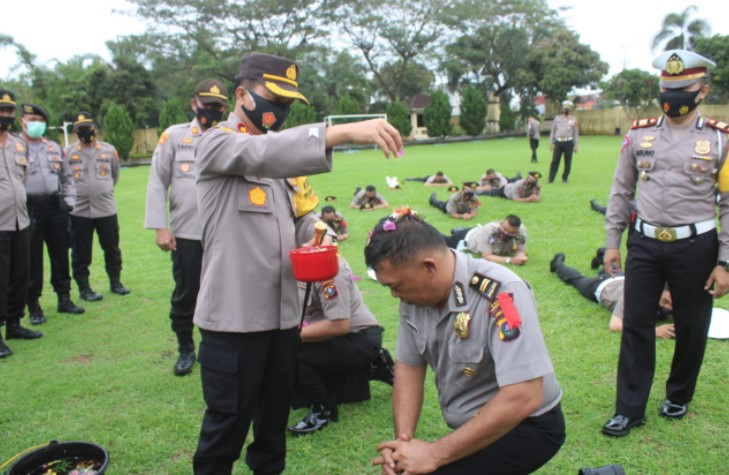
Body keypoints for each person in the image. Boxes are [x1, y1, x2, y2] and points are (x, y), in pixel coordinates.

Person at [191, 52, 403, 475]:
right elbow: (261, 153)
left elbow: (294, 220)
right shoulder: (216, 143)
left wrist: (317, 232)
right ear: (241, 94)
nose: (280, 110)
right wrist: (339, 133)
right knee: (225, 430)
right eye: (274, 97)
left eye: (288, 102)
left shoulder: (282, 167)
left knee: (272, 428)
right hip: (233, 323)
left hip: (284, 321)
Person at [365, 209, 564, 475]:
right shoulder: (414, 297)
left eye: (397, 286)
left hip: (528, 425)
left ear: (429, 267)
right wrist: (404, 445)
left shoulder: (501, 292)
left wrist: (433, 455)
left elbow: (524, 395)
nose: (394, 295)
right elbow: (409, 366)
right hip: (475, 425)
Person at [602, 49, 729, 437]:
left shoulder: (720, 139)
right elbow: (622, 190)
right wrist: (612, 241)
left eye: (682, 87)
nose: (672, 95)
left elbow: (728, 204)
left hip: (697, 245)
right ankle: (629, 408)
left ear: (702, 90)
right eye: (666, 87)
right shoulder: (639, 133)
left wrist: (725, 261)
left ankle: (679, 394)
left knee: (692, 326)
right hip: (645, 243)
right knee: (637, 323)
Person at [144, 79, 228, 376]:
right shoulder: (175, 137)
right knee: (187, 291)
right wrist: (159, 227)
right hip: (187, 233)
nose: (212, 111)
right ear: (194, 104)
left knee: (221, 291)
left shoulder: (231, 135)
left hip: (224, 233)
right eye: (207, 105)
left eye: (218, 106)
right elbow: (157, 182)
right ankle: (185, 348)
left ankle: (212, 347)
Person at [287, 254, 392, 436]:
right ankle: (374, 366)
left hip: (358, 338)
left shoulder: (329, 268)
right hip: (331, 335)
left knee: (291, 353)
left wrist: (287, 337)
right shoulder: (295, 261)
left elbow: (339, 325)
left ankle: (324, 408)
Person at [20, 103, 85, 324]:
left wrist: (69, 200)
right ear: (22, 121)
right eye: (31, 119)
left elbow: (67, 177)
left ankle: (64, 298)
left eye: (39, 120)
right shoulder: (15, 147)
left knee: (60, 253)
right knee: (32, 258)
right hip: (29, 207)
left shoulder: (54, 148)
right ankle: (34, 305)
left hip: (56, 207)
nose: (35, 124)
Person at [65, 112, 130, 302]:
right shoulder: (68, 153)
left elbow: (115, 175)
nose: (86, 131)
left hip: (106, 209)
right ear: (75, 131)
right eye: (81, 129)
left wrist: (103, 190)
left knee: (111, 248)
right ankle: (85, 288)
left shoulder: (109, 150)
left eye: (88, 127)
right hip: (79, 211)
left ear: (95, 127)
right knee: (81, 252)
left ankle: (116, 282)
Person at [0, 90, 43, 358]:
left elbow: (21, 178)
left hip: (20, 220)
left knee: (20, 274)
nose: (6, 116)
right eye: (2, 111)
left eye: (9, 112)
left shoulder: (18, 144)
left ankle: (14, 323)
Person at [549, 252, 675, 338]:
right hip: (602, 286)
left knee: (612, 266)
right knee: (576, 279)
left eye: (672, 304)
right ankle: (557, 264)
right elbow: (615, 326)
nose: (668, 308)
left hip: (621, 277)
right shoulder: (634, 295)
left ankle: (601, 255)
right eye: (664, 302)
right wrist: (655, 332)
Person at [444, 214, 528, 266]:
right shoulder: (489, 230)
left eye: (511, 232)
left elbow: (520, 251)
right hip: (468, 237)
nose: (505, 233)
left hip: (480, 233)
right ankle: (458, 232)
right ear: (501, 223)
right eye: (504, 228)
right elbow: (487, 256)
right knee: (444, 241)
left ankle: (457, 230)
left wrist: (520, 257)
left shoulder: (521, 232)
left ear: (517, 231)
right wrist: (510, 260)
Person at [548, 100, 579, 183]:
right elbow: (553, 131)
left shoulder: (573, 119)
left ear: (570, 110)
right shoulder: (557, 119)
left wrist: (576, 145)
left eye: (568, 109)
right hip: (558, 142)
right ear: (562, 109)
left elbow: (575, 133)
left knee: (568, 161)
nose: (566, 110)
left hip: (568, 142)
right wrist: (551, 142)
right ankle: (551, 178)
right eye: (565, 108)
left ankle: (565, 177)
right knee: (555, 160)